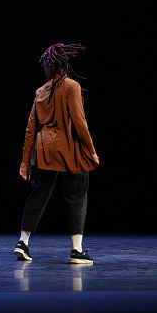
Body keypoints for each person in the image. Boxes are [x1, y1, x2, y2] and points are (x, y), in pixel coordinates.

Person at [15, 43, 99, 264]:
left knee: (38, 194)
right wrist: (91, 151)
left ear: (53, 66)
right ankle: (77, 251)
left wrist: (26, 161)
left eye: (45, 65)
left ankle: (23, 242)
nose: (43, 69)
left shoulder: (40, 91)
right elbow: (80, 123)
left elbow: (30, 129)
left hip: (43, 151)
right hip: (67, 149)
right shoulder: (72, 86)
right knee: (77, 193)